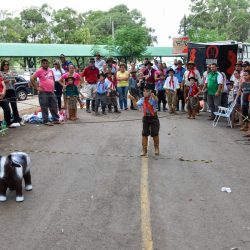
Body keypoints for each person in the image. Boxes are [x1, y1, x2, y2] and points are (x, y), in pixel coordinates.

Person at [30, 58, 61, 126]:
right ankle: (46, 121)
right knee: (44, 106)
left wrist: (53, 87)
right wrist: (37, 87)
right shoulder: (39, 71)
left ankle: (55, 119)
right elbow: (32, 78)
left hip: (51, 91)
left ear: (48, 64)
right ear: (41, 64)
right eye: (44, 63)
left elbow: (53, 79)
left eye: (46, 63)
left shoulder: (50, 70)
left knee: (54, 105)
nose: (45, 64)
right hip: (43, 92)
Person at [136, 84, 160, 156]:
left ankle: (156, 148)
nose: (145, 93)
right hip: (146, 117)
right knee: (144, 133)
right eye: (144, 91)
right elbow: (136, 105)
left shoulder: (153, 98)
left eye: (147, 91)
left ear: (150, 92)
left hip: (154, 117)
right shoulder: (142, 99)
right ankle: (144, 149)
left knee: (155, 133)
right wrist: (132, 98)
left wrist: (154, 96)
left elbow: (157, 100)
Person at [1, 60, 24, 126]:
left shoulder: (10, 72)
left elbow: (14, 81)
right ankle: (7, 121)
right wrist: (5, 81)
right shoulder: (0, 73)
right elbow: (1, 82)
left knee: (14, 106)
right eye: (5, 64)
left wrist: (14, 80)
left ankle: (17, 119)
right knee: (6, 107)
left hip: (12, 90)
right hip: (5, 91)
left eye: (7, 64)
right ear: (2, 65)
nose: (6, 66)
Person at [237, 70, 250, 134]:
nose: (244, 77)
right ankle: (245, 125)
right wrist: (236, 98)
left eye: (246, 75)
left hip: (249, 102)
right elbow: (240, 91)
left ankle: (248, 128)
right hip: (244, 101)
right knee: (244, 113)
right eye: (244, 75)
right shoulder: (243, 84)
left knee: (249, 114)